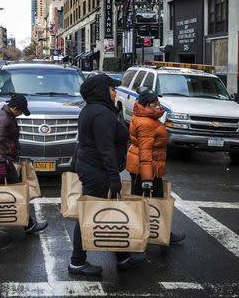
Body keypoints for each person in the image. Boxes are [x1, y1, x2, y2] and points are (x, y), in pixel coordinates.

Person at [69, 74, 147, 277]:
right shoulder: (102, 114)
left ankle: (123, 257)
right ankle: (77, 261)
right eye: (112, 88)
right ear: (102, 91)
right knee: (90, 213)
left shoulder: (90, 110)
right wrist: (114, 178)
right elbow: (106, 150)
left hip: (90, 166)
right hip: (98, 170)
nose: (115, 92)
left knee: (107, 211)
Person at [126, 88, 185, 244]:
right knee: (156, 202)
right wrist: (147, 178)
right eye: (154, 103)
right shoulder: (146, 122)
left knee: (139, 200)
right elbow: (145, 152)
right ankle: (160, 234)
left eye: (158, 101)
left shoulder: (144, 117)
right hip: (147, 168)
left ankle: (140, 233)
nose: (158, 105)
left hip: (146, 166)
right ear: (145, 104)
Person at [0, 94, 48, 234]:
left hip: (2, 161)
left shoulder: (7, 117)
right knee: (17, 193)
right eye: (20, 111)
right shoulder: (3, 119)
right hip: (3, 161)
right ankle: (29, 225)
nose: (20, 114)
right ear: (14, 108)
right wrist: (2, 163)